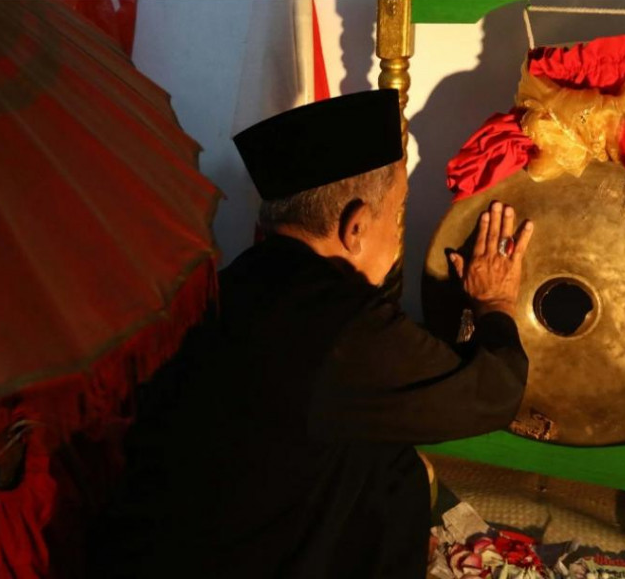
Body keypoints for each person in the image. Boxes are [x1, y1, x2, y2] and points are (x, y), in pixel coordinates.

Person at [92, 89, 535, 578]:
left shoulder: (235, 279)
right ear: (356, 227)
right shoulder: (342, 330)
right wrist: (494, 302)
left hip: (160, 540)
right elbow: (494, 393)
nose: (399, 230)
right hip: (236, 560)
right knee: (394, 480)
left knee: (390, 461)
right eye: (399, 212)